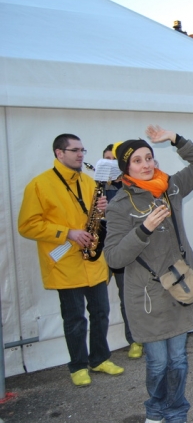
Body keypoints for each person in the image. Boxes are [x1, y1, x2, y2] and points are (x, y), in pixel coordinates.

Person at [104, 125, 193, 423]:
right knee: (158, 363)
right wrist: (144, 229)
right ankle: (155, 411)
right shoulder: (119, 205)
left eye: (148, 157)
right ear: (127, 168)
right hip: (147, 296)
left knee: (178, 359)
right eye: (137, 161)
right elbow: (113, 257)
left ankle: (176, 411)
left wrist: (175, 139)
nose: (146, 165)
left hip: (179, 288)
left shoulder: (171, 188)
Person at [18, 134, 124, 387]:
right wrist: (66, 233)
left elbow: (94, 218)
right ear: (59, 153)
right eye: (74, 150)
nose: (80, 155)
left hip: (92, 259)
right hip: (65, 263)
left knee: (101, 313)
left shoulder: (89, 182)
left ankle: (99, 358)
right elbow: (27, 225)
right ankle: (78, 365)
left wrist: (101, 209)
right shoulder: (39, 185)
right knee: (75, 318)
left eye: (82, 150)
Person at [102, 144, 143, 360]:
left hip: (128, 249)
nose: (110, 164)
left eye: (113, 160)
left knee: (129, 297)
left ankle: (136, 339)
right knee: (101, 304)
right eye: (106, 159)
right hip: (104, 250)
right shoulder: (96, 188)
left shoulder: (132, 187)